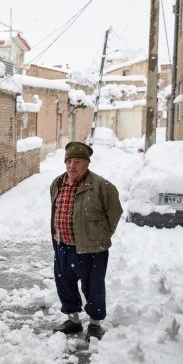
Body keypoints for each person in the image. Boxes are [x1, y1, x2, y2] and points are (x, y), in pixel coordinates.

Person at [50, 141, 122, 341]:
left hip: (92, 248)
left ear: (87, 164)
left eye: (78, 162)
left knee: (94, 286)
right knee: (64, 283)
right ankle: (73, 321)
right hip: (63, 244)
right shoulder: (57, 183)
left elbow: (114, 214)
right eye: (69, 161)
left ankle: (95, 324)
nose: (72, 166)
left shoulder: (102, 186)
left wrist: (100, 236)